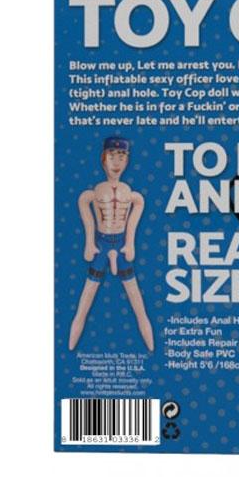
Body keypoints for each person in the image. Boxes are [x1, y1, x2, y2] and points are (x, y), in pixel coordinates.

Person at [68, 136, 154, 351]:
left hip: (121, 244)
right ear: (103, 159)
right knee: (86, 297)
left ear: (127, 161)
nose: (117, 162)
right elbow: (84, 205)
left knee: (137, 300)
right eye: (112, 156)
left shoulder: (132, 195)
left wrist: (130, 243)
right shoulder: (94, 192)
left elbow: (137, 209)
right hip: (101, 243)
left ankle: (150, 344)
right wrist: (89, 242)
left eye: (121, 157)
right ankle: (71, 342)